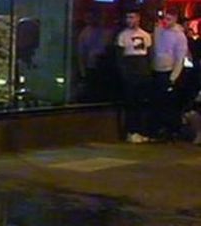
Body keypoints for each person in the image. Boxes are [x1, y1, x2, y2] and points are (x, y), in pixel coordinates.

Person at [149, 8, 188, 139]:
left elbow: (180, 58)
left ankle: (170, 130)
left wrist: (173, 77)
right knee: (156, 103)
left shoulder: (179, 36)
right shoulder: (158, 30)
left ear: (175, 19)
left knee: (168, 104)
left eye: (169, 19)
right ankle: (157, 129)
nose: (165, 21)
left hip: (169, 71)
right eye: (164, 18)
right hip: (156, 70)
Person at [116, 8, 152, 143]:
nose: (130, 20)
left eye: (133, 17)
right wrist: (125, 74)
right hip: (130, 72)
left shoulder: (146, 35)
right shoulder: (123, 36)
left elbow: (148, 55)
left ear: (138, 18)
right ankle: (131, 131)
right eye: (128, 17)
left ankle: (140, 130)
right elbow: (120, 57)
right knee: (131, 103)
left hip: (142, 72)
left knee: (141, 103)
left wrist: (147, 72)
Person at [77, 10, 113, 102]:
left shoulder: (107, 32)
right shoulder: (84, 34)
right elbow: (81, 54)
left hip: (104, 67)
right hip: (91, 66)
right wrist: (82, 72)